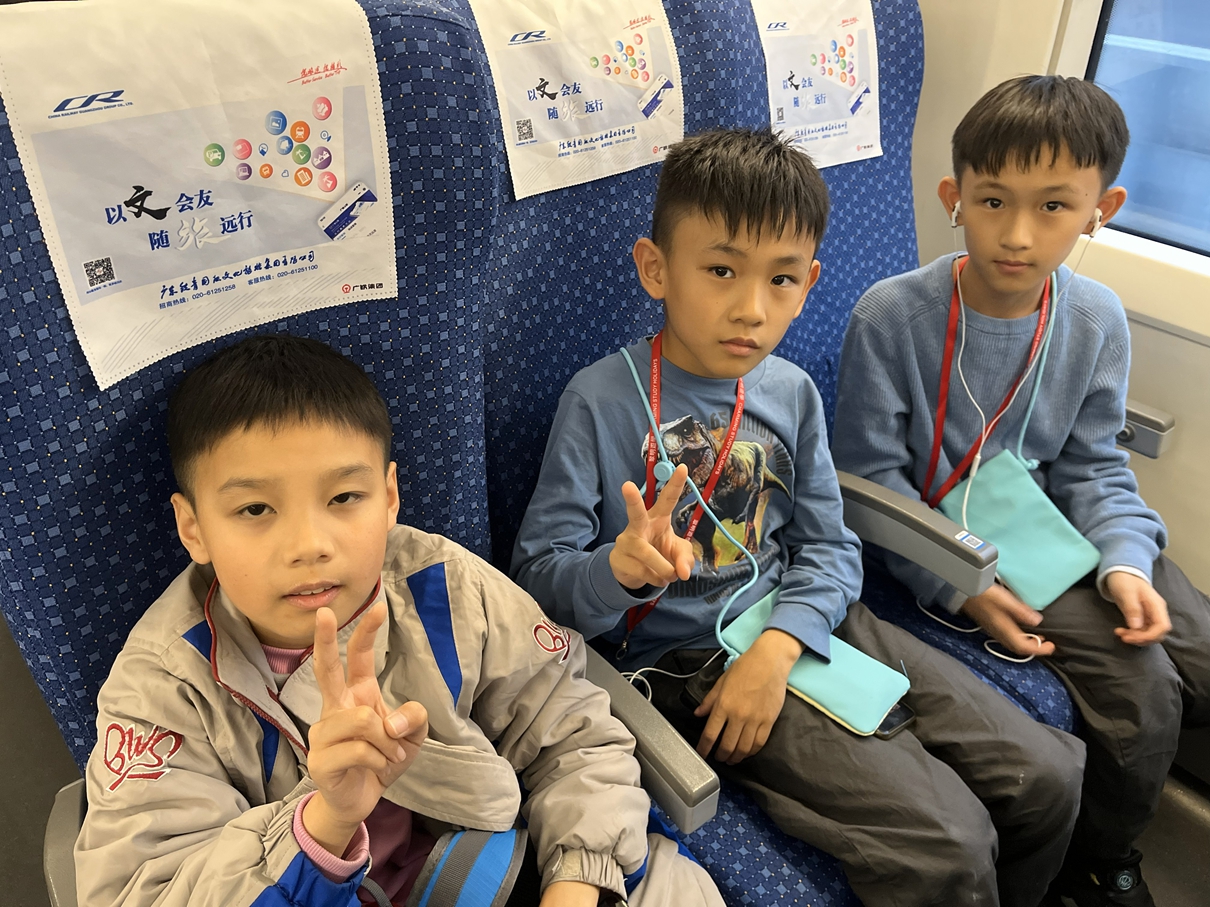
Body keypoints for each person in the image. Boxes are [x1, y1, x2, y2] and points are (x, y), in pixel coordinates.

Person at [511, 127, 1085, 907]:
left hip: (803, 618)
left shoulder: (790, 392)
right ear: (656, 268)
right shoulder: (599, 401)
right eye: (721, 270)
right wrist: (616, 570)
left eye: (782, 279)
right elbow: (536, 584)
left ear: (810, 282)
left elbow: (831, 547)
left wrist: (780, 644)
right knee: (949, 845)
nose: (751, 308)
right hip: (690, 662)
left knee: (1047, 773)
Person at [74, 334, 723, 907]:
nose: (308, 544)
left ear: (388, 497)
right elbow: (142, 887)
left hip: (496, 865)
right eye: (255, 510)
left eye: (343, 497)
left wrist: (578, 880)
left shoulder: (445, 586)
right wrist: (323, 822)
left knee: (672, 884)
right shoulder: (165, 684)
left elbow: (570, 733)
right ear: (193, 527)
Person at [832, 75, 1210, 906]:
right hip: (957, 538)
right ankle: (1102, 862)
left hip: (1058, 522)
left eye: (1054, 206)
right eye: (994, 200)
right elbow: (869, 482)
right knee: (1144, 690)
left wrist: (1124, 560)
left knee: (1200, 649)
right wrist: (962, 584)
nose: (1017, 234)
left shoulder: (1095, 318)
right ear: (955, 198)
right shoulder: (891, 317)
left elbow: (1092, 466)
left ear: (1101, 209)